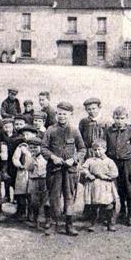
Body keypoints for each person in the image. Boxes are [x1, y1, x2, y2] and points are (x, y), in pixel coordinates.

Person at [42, 101, 86, 236]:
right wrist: (52, 157)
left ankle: (69, 225)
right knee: (54, 197)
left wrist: (74, 159)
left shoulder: (74, 130)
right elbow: (43, 148)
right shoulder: (50, 130)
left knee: (69, 197)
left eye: (65, 114)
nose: (62, 116)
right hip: (54, 170)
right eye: (59, 113)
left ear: (70, 114)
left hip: (69, 171)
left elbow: (82, 149)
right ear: (56, 114)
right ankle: (54, 224)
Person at [104, 106, 131, 226]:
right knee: (113, 188)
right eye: (116, 118)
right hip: (113, 163)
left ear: (126, 118)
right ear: (113, 118)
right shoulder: (108, 131)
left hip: (127, 163)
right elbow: (105, 148)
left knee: (129, 189)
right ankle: (112, 216)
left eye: (122, 118)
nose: (119, 121)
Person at [81, 139, 119, 233]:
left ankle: (111, 222)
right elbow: (83, 169)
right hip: (94, 186)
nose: (97, 152)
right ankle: (95, 223)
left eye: (99, 149)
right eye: (95, 150)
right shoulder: (90, 160)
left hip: (106, 186)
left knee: (108, 205)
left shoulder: (109, 161)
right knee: (95, 205)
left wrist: (104, 176)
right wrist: (88, 175)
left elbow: (115, 173)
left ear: (105, 149)